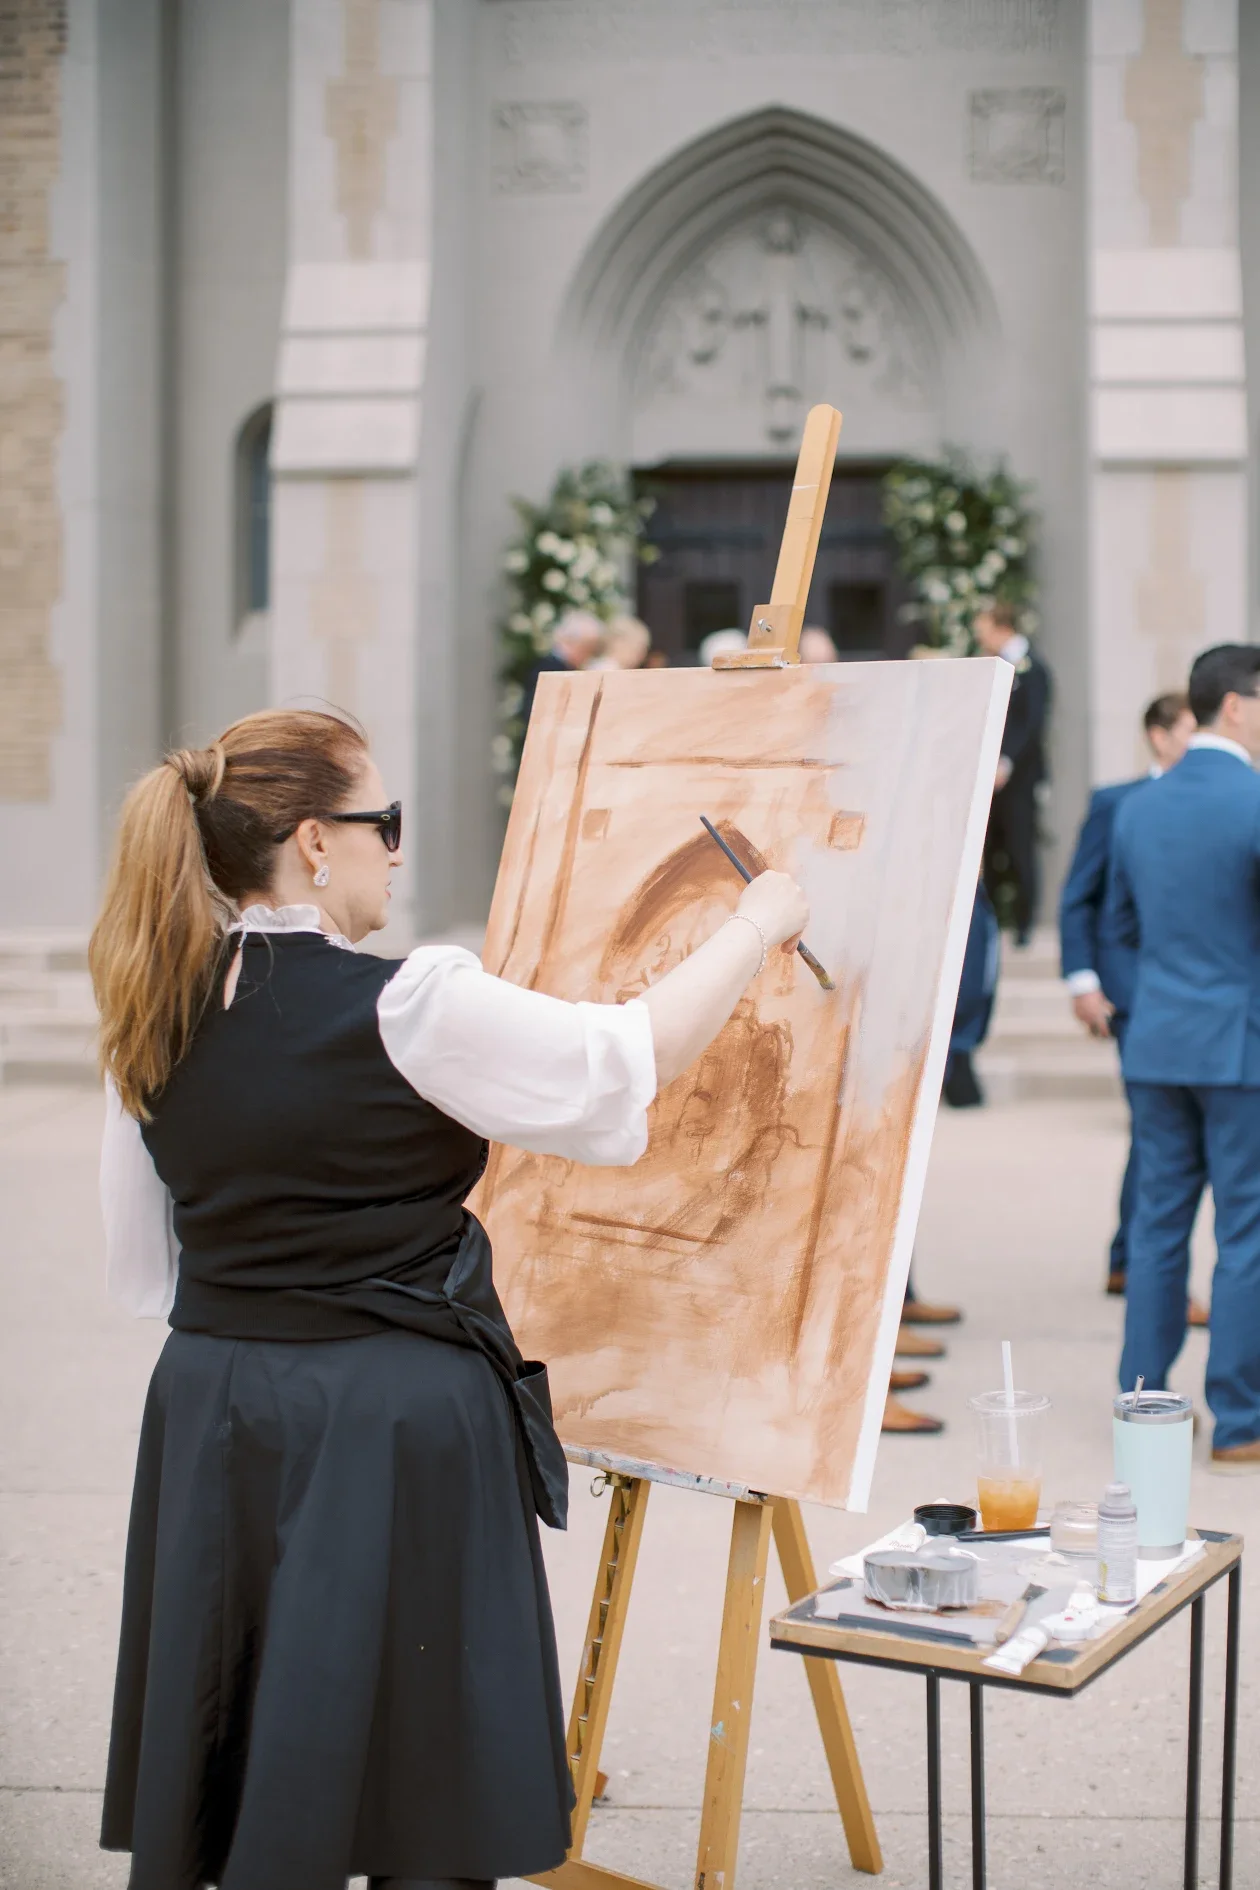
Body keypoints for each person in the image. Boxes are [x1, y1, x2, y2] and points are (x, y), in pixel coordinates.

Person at [90, 708, 810, 1889]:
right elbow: (626, 1059)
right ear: (317, 844)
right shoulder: (410, 1000)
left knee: (260, 1719)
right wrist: (755, 922)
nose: (398, 851)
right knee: (421, 1771)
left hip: (215, 1404)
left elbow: (145, 1268)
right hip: (391, 1416)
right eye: (388, 824)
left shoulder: (151, 1003)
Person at [1109, 645, 1260, 1472]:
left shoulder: (1142, 806)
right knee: (1247, 1233)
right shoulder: (1254, 800)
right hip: (1241, 1046)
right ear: (1235, 707)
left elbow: (1121, 933)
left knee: (1158, 1226)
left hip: (1158, 1042)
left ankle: (1143, 1404)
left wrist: (1150, 1010)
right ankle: (1239, 1420)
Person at [1059, 693, 1202, 1308]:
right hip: (1136, 996)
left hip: (1202, 993)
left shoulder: (1221, 802)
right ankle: (1148, 1271)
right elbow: (1078, 898)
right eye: (1190, 732)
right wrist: (1083, 981)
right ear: (1159, 736)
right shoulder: (1115, 804)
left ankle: (1128, 1259)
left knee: (1158, 1136)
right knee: (1159, 1134)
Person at [975, 602, 1052, 944]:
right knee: (990, 851)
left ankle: (1024, 926)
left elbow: (1030, 723)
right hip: (990, 780)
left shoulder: (1033, 668)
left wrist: (1004, 761)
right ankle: (991, 925)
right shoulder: (992, 666)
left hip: (1018, 778)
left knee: (1020, 849)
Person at [520, 610, 604, 725]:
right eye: (588, 648)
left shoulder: (557, 665)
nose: (589, 655)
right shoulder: (551, 669)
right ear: (574, 643)